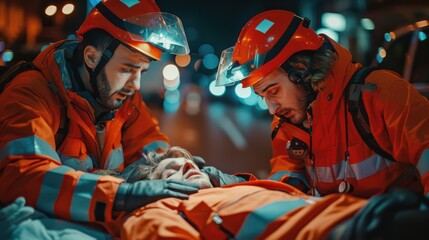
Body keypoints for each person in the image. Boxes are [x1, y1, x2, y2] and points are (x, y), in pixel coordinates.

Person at [0, 0, 201, 234]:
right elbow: (25, 175)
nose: (135, 85)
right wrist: (121, 195)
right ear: (92, 57)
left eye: (142, 72)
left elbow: (150, 146)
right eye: (127, 69)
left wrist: (175, 165)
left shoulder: (124, 100)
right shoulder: (31, 93)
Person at [215, 10, 429, 197]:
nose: (272, 109)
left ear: (300, 69)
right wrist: (232, 185)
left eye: (273, 91)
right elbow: (287, 178)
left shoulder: (380, 93)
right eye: (263, 96)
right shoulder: (287, 124)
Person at [112, 146, 429, 239]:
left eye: (187, 162)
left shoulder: (236, 189)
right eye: (170, 171)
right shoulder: (152, 210)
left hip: (366, 214)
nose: (187, 167)